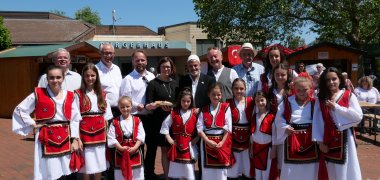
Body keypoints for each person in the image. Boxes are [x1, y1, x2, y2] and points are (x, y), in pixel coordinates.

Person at [12, 65, 81, 180]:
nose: (55, 80)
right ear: (47, 79)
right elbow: (20, 110)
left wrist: (75, 139)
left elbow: (74, 119)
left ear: (63, 78)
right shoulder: (38, 94)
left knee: (66, 172)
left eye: (58, 77)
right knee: (49, 172)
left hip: (66, 137)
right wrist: (33, 123)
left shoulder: (70, 95)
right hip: (46, 137)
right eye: (52, 77)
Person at [313, 67, 363, 180]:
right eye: (327, 80)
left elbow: (358, 117)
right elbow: (317, 121)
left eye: (334, 79)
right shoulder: (321, 98)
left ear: (340, 79)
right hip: (327, 138)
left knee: (347, 169)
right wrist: (320, 141)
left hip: (346, 139)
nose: (331, 82)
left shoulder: (348, 95)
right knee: (330, 169)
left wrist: (336, 107)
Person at [275, 76, 319, 180]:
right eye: (298, 90)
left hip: (310, 139)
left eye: (305, 89)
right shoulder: (287, 102)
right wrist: (285, 127)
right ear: (294, 89)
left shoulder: (315, 102)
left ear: (310, 89)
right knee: (292, 169)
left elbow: (320, 121)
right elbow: (278, 119)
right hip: (291, 138)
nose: (301, 92)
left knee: (310, 167)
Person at [74, 63, 113, 180]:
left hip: (100, 133)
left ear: (96, 76)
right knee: (87, 163)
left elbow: (107, 116)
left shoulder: (102, 93)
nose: (90, 78)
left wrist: (107, 135)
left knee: (99, 161)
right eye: (87, 76)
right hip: (84, 133)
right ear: (83, 77)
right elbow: (75, 118)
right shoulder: (78, 94)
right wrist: (77, 138)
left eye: (92, 75)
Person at [145, 57, 179, 180]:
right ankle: (167, 176)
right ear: (159, 68)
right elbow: (148, 104)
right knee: (164, 149)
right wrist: (155, 105)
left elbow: (180, 102)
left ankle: (176, 174)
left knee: (174, 148)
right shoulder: (153, 83)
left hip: (174, 121)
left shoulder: (176, 83)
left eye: (168, 67)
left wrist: (172, 107)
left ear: (172, 68)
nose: (166, 69)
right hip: (158, 121)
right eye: (164, 67)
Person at [160, 87, 199, 180]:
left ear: (191, 101)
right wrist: (169, 138)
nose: (185, 103)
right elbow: (165, 126)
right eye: (183, 101)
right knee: (176, 172)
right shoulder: (174, 113)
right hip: (176, 146)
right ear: (180, 100)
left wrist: (195, 140)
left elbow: (201, 129)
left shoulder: (195, 113)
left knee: (189, 171)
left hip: (189, 146)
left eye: (188, 101)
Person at [197, 83, 233, 180]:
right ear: (208, 94)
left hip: (222, 141)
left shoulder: (226, 107)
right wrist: (207, 141)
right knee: (207, 172)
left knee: (221, 171)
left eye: (218, 94)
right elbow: (199, 128)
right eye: (213, 94)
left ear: (221, 95)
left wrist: (222, 142)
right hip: (206, 143)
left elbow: (228, 126)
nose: (216, 97)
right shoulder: (204, 109)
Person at [120, 49, 155, 139]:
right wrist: (136, 105)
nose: (140, 62)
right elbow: (125, 98)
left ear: (146, 61)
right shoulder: (128, 79)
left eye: (142, 60)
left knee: (152, 146)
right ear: (133, 62)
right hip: (136, 117)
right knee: (138, 146)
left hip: (151, 116)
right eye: (137, 60)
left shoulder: (152, 76)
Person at [107, 96, 145, 180]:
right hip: (121, 152)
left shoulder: (137, 120)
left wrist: (135, 147)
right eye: (122, 107)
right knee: (121, 173)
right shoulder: (115, 121)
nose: (125, 109)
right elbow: (111, 137)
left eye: (127, 106)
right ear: (119, 108)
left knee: (136, 174)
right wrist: (120, 147)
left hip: (135, 151)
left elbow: (141, 135)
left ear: (131, 106)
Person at [268, 63, 293, 177]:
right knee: (274, 159)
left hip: (287, 128)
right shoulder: (270, 91)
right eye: (277, 74)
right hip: (272, 127)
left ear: (288, 75)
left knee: (286, 159)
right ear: (273, 75)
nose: (280, 77)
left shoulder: (292, 90)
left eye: (283, 75)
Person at [227, 79, 254, 179]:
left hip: (248, 137)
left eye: (241, 88)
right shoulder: (228, 102)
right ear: (232, 89)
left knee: (247, 163)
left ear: (245, 89)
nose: (239, 91)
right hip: (233, 137)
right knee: (234, 166)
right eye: (236, 88)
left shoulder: (251, 101)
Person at [250, 91, 277, 180]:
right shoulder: (254, 116)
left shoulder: (272, 116)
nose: (260, 103)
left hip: (267, 150)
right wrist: (251, 149)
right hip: (256, 149)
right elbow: (252, 135)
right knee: (258, 173)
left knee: (266, 173)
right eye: (257, 101)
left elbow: (274, 135)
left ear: (267, 100)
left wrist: (273, 149)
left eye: (262, 100)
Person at [96, 43, 122, 117]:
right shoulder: (95, 70)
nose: (108, 56)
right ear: (100, 53)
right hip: (105, 110)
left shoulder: (117, 68)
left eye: (111, 53)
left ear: (114, 54)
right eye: (105, 53)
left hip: (120, 109)